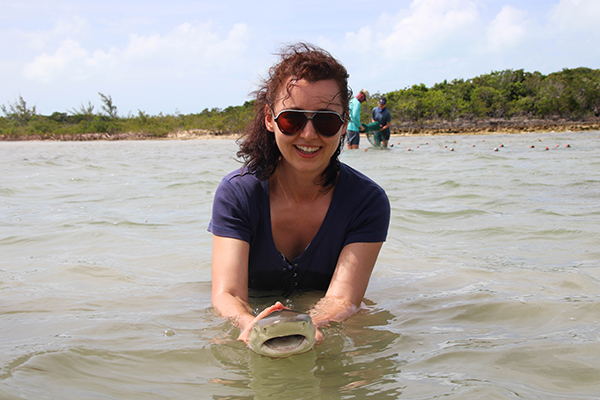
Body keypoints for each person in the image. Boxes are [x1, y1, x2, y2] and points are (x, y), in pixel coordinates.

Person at [208, 43, 390, 344]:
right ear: (270, 119)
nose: (308, 135)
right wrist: (250, 324)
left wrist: (305, 326)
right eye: (292, 119)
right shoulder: (237, 194)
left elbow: (343, 300)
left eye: (326, 120)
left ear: (345, 124)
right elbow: (227, 294)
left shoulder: (367, 203)